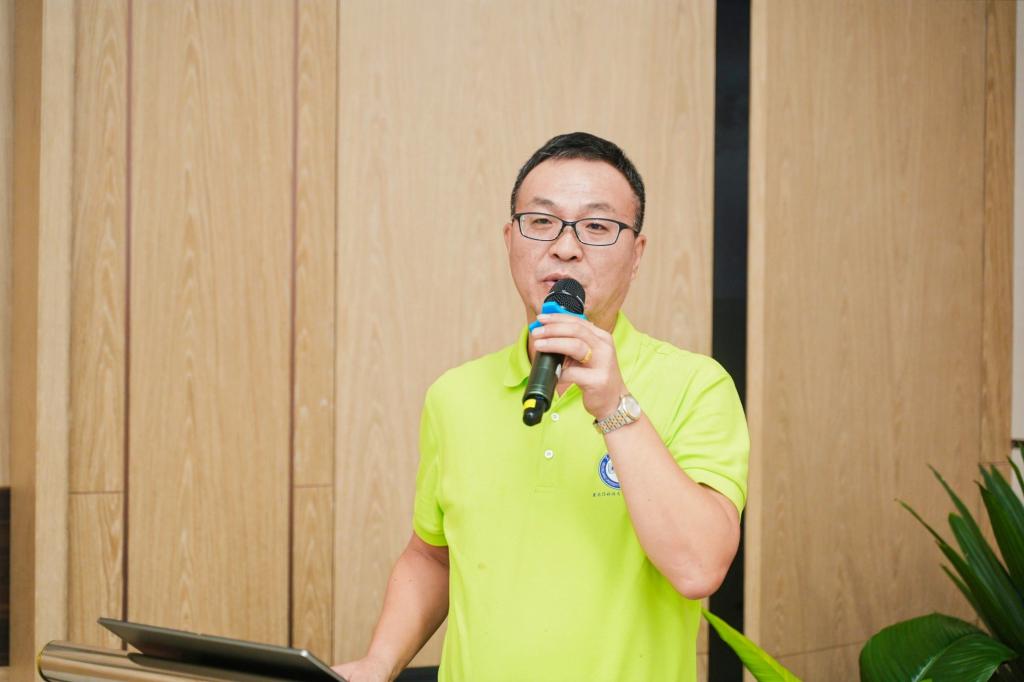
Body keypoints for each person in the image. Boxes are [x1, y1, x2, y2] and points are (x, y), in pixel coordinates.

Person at [333, 132, 749, 682]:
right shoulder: (454, 395)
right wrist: (378, 663)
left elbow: (698, 568)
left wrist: (614, 406)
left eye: (597, 227)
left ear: (637, 254)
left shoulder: (697, 385)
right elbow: (432, 555)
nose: (566, 247)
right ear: (510, 239)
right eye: (542, 221)